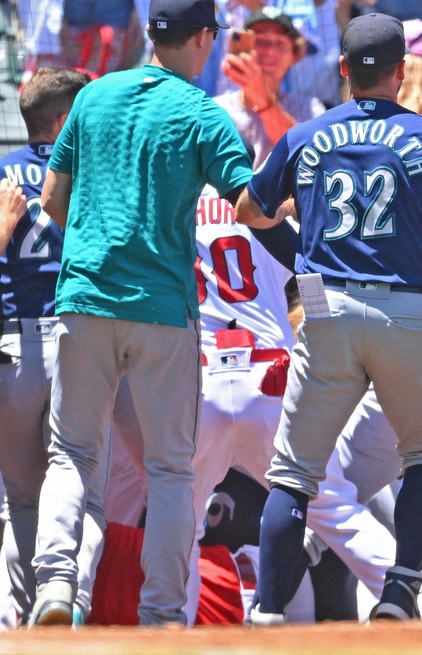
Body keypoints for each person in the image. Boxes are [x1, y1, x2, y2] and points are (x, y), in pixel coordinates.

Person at [234, 13, 422, 624]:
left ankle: (267, 614)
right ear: (400, 72)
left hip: (327, 306)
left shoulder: (304, 136)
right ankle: (400, 593)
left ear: (344, 70)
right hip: (408, 309)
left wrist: (306, 237)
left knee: (293, 474)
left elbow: (250, 209)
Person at [30, 0, 255, 627]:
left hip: (84, 300)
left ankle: (53, 586)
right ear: (205, 37)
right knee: (169, 471)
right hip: (161, 311)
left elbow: (53, 198)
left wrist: (92, 247)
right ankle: (160, 617)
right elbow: (250, 207)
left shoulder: (94, 97)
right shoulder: (202, 111)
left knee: (71, 454)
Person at [0, 67, 95, 625]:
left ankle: (14, 626)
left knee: (19, 503)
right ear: (63, 121)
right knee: (86, 489)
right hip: (75, 345)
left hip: (11, 353)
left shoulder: (1, 176)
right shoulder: (88, 175)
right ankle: (69, 605)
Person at [215, 7, 325, 166]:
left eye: (279, 43)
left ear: (294, 55)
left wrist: (264, 101)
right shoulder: (218, 110)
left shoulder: (309, 109)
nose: (270, 52)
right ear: (244, 45)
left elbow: (313, 159)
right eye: (260, 41)